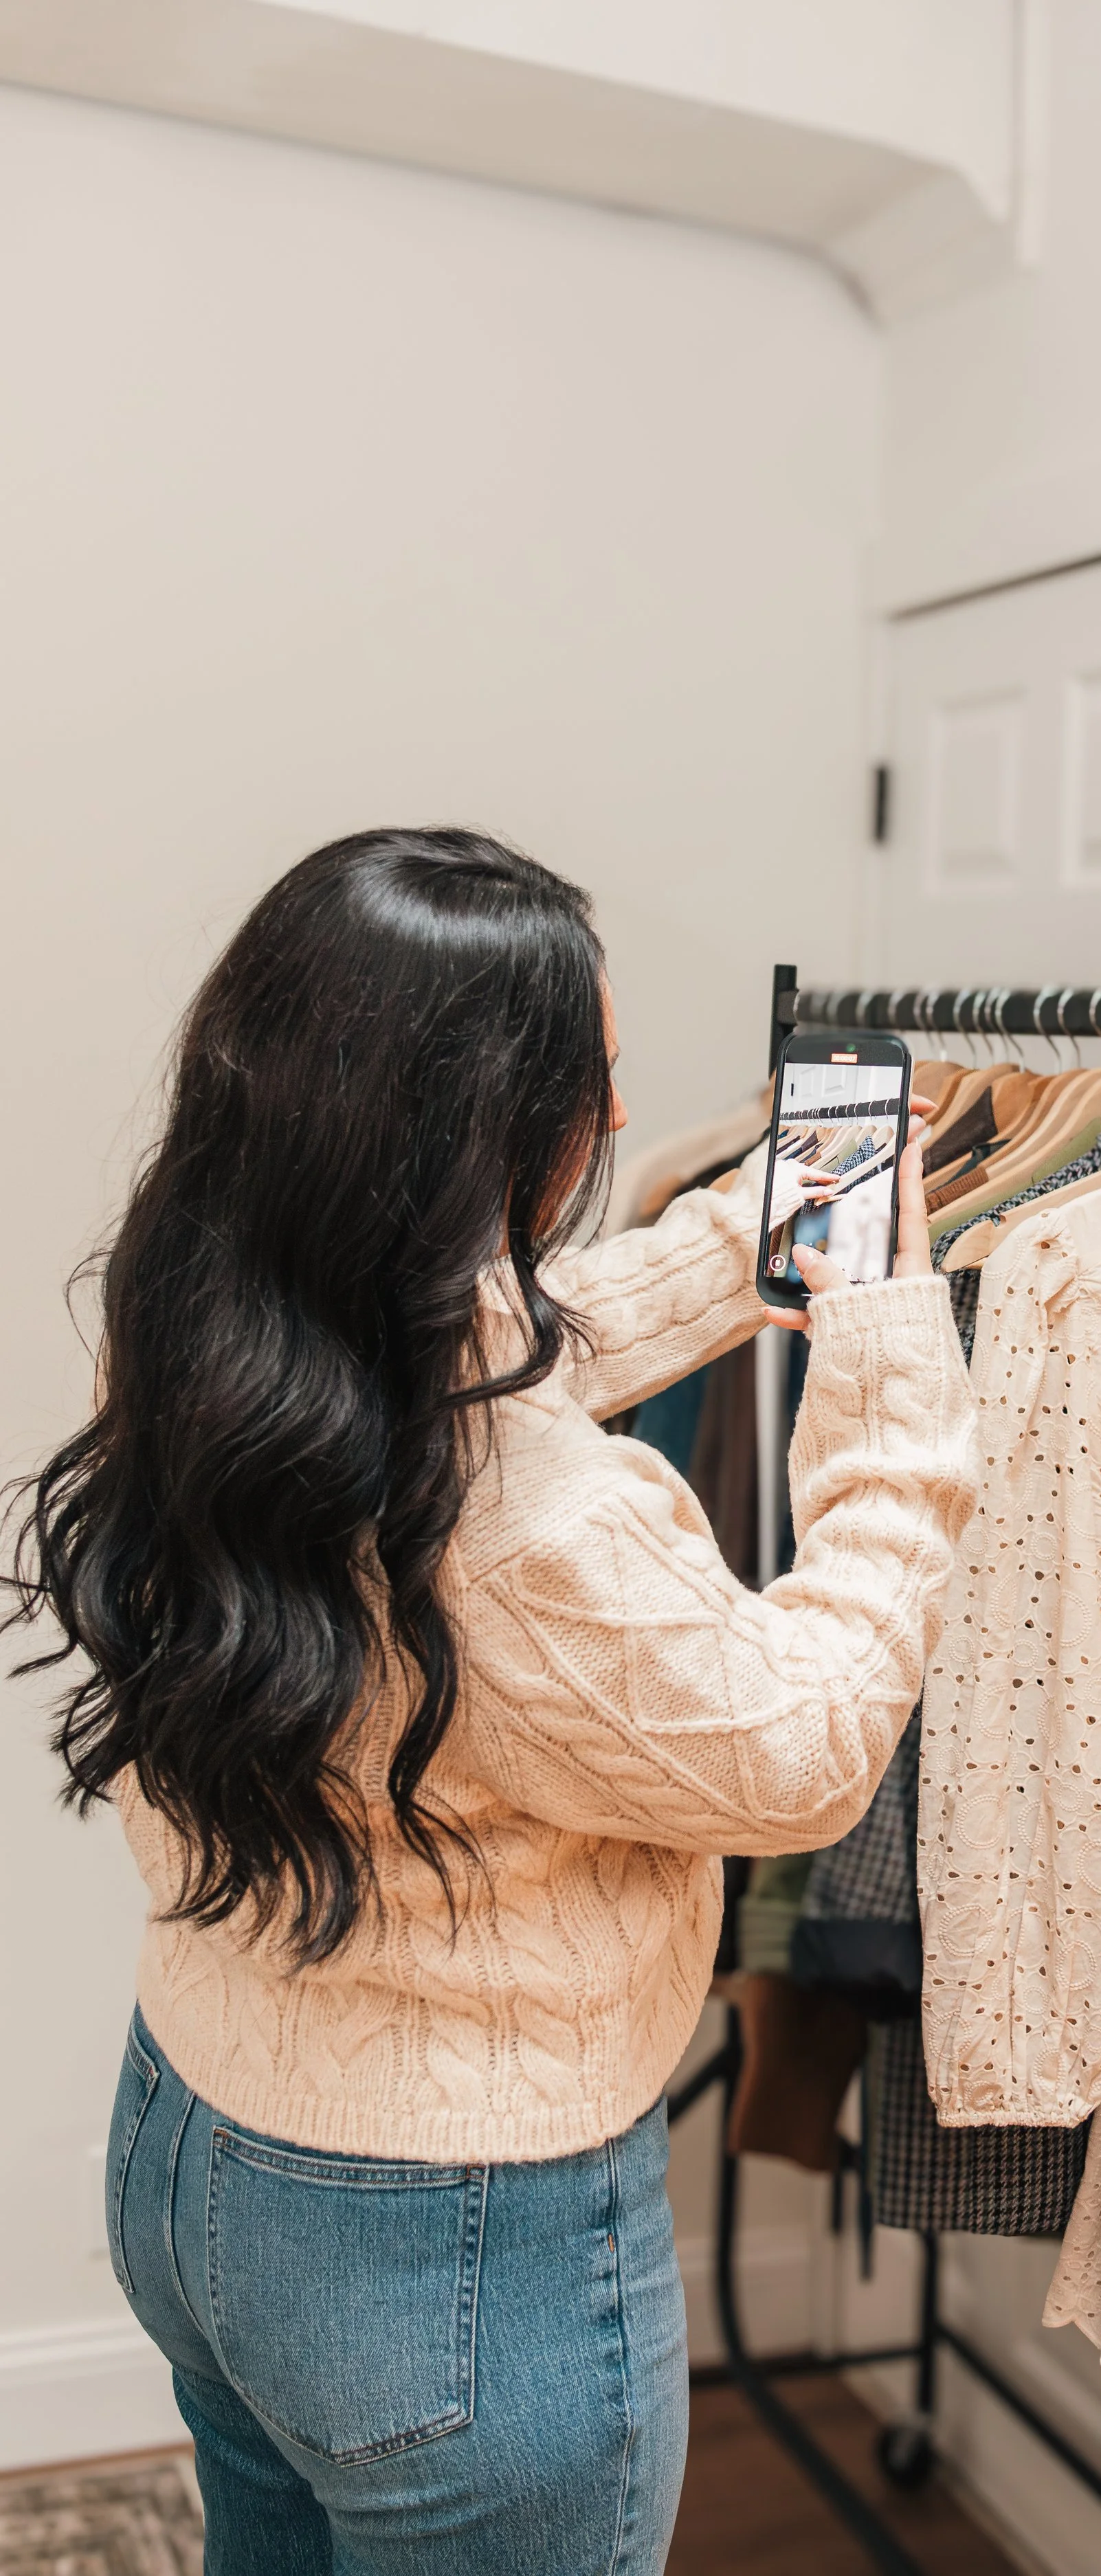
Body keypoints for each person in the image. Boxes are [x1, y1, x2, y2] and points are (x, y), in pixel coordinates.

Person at [6, 829, 977, 2576]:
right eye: (590, 1093)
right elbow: (805, 1747)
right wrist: (893, 1373)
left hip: (194, 2149)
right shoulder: (539, 1534)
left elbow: (494, 1348)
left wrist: (755, 1239)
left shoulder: (200, 1324)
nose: (621, 1117)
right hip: (441, 2258)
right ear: (473, 1140)